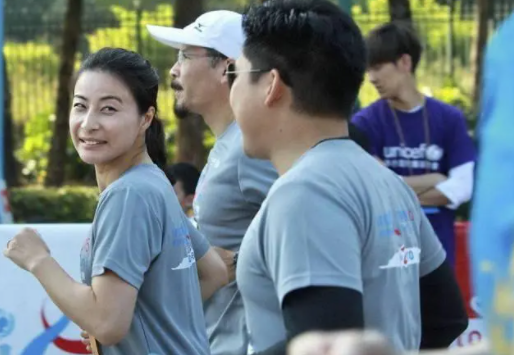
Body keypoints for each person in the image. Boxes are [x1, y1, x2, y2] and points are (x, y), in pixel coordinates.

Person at [228, 0, 468, 354]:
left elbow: (329, 346)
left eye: (235, 75)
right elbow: (446, 318)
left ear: (271, 85)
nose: (230, 91)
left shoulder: (305, 193)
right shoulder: (387, 181)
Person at [3, 47, 227, 354]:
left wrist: (38, 260)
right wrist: (138, 319)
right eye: (80, 106)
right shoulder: (154, 181)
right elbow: (213, 271)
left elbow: (107, 324)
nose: (89, 123)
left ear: (145, 118)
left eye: (108, 109)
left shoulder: (129, 195)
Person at [147, 11, 278, 355]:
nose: (174, 70)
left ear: (226, 68)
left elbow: (310, 228)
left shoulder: (249, 149)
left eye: (185, 56)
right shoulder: (230, 145)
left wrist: (237, 261)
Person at [351, 22, 476, 266]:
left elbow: (462, 187)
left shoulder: (449, 118)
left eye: (378, 67)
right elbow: (374, 191)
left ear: (405, 63)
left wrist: (397, 191)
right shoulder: (364, 123)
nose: (372, 78)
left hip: (439, 253)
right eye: (369, 69)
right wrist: (435, 180)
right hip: (387, 256)